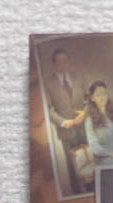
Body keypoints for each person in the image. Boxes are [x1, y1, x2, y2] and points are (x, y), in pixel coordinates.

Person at [43, 48, 88, 194]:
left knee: (90, 160)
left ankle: (93, 190)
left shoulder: (79, 77)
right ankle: (78, 195)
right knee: (73, 166)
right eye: (59, 61)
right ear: (54, 63)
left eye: (65, 60)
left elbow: (89, 99)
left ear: (68, 62)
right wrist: (63, 122)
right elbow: (48, 109)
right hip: (66, 131)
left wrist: (85, 113)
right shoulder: (48, 83)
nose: (62, 64)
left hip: (84, 127)